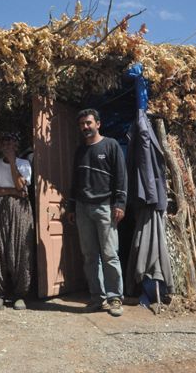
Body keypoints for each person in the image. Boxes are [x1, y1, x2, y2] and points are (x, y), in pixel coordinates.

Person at [66, 109, 127, 317]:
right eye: (82, 124)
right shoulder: (79, 151)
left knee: (110, 254)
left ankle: (115, 298)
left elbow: (121, 176)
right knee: (90, 256)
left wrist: (120, 203)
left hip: (105, 207)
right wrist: (72, 206)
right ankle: (96, 297)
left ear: (98, 124)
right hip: (83, 209)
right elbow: (75, 182)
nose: (85, 127)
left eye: (88, 123)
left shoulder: (111, 145)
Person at [0, 132, 34, 311]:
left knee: (20, 250)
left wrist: (12, 162)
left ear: (16, 146)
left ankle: (20, 295)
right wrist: (11, 192)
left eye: (11, 142)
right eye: (4, 142)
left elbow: (21, 186)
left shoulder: (24, 164)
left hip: (19, 212)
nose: (7, 145)